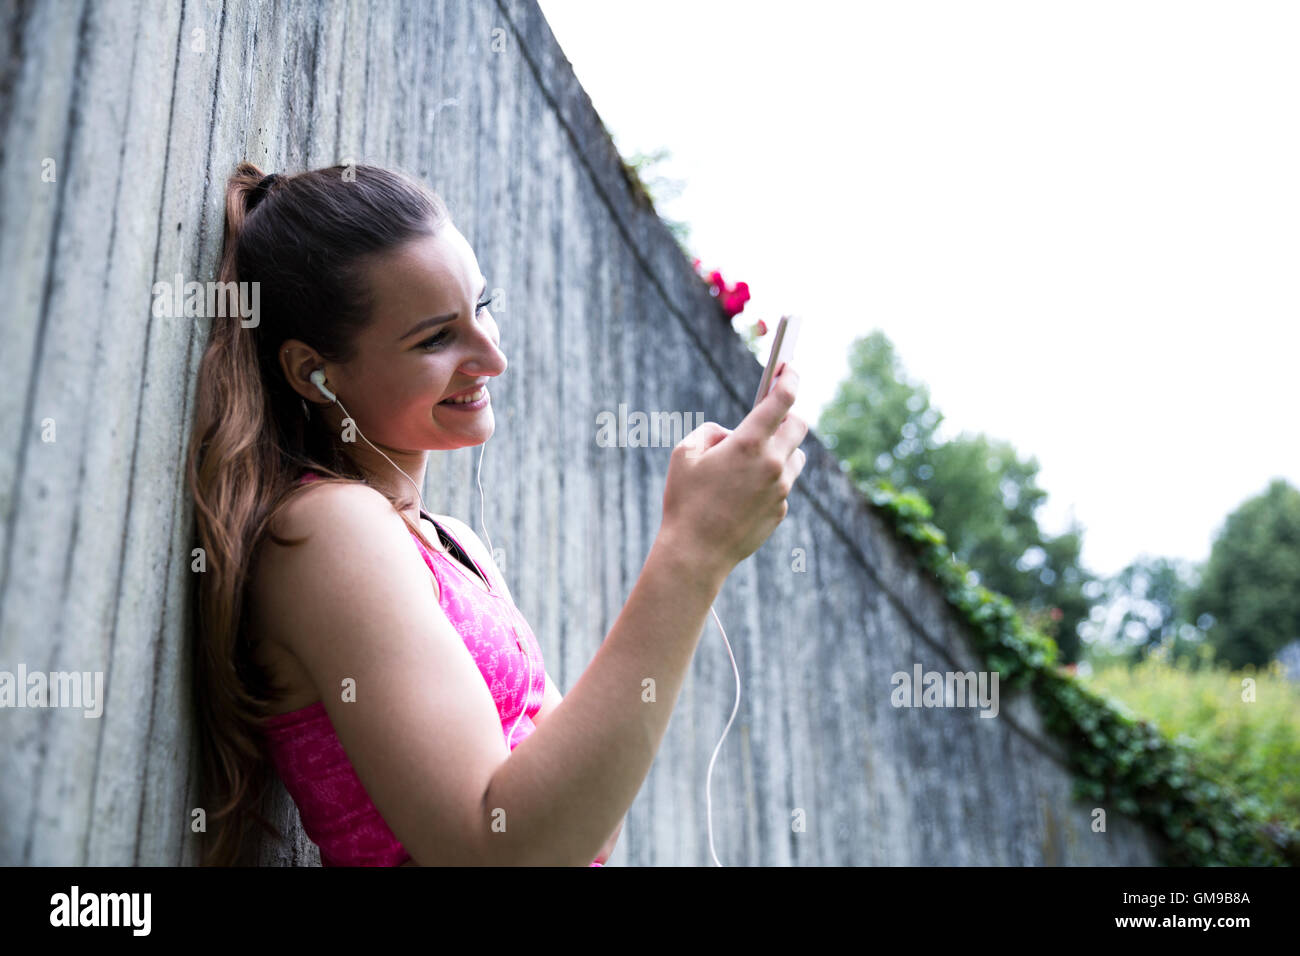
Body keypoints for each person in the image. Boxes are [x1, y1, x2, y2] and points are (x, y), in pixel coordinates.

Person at [186, 161, 808, 867]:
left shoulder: (455, 545)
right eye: (434, 338)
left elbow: (584, 825)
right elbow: (495, 847)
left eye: (483, 307)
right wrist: (694, 549)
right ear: (313, 372)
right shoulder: (327, 531)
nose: (493, 356)